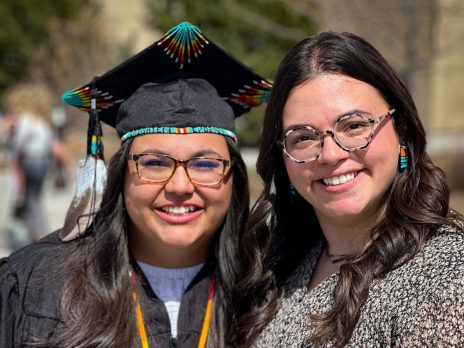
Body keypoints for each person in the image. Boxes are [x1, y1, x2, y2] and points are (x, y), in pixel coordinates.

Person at [0, 22, 271, 347]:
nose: (180, 186)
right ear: (120, 176)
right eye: (154, 163)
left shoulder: (268, 286)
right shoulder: (37, 284)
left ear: (234, 178)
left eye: (204, 164)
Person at [231, 32, 464, 347]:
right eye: (302, 137)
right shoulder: (280, 265)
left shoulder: (447, 275)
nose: (330, 154)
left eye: (354, 126)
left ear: (402, 130)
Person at [2, 83, 72, 245]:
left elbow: (17, 147)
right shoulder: (43, 122)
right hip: (43, 163)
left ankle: (40, 234)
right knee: (34, 198)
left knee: (31, 199)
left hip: (30, 162)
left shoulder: (24, 121)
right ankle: (35, 232)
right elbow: (54, 146)